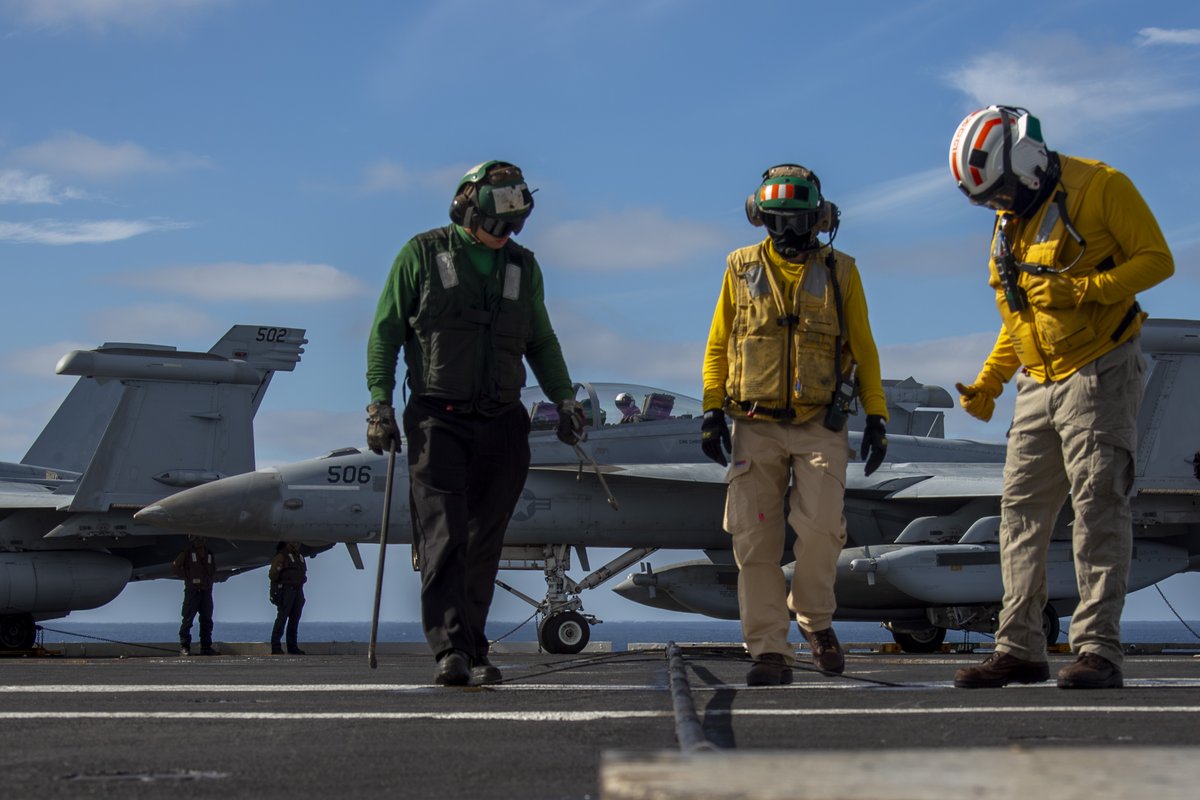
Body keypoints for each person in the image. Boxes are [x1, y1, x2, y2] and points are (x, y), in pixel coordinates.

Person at [948, 106, 1173, 690]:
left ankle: (1098, 650)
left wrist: (1084, 288)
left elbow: (1157, 260)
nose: (997, 204)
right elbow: (1019, 317)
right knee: (1019, 517)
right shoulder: (1008, 221)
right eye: (986, 199)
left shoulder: (1102, 186)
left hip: (1101, 372)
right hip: (1036, 384)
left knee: (1098, 509)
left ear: (1025, 162)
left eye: (999, 190)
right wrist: (991, 381)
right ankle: (1019, 648)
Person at [365, 160, 583, 686]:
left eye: (514, 226)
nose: (502, 236)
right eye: (496, 224)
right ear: (465, 208)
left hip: (503, 423)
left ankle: (475, 646)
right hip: (437, 420)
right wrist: (379, 405)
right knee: (444, 538)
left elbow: (541, 341)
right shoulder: (421, 253)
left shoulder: (523, 268)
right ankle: (450, 652)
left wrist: (565, 400)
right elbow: (386, 332)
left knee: (487, 540)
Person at [701, 164, 889, 686]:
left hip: (820, 424)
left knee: (823, 529)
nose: (787, 233)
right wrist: (710, 410)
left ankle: (814, 621)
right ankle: (768, 650)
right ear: (759, 217)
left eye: (799, 221)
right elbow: (720, 343)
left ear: (820, 218)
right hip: (752, 425)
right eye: (776, 220)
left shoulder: (840, 270)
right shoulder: (739, 267)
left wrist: (877, 415)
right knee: (754, 541)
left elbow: (864, 347)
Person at [171, 535, 216, 656]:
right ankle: (184, 646)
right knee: (188, 619)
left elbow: (212, 570)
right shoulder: (187, 553)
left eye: (201, 538)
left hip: (206, 591)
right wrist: (188, 578)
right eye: (196, 539)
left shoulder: (209, 553)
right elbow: (175, 566)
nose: (199, 541)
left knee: (207, 619)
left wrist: (208, 582)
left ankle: (206, 646)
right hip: (192, 591)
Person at [269, 541, 307, 655]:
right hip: (286, 590)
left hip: (297, 590)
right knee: (282, 618)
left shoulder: (298, 556)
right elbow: (273, 574)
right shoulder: (282, 556)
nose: (297, 542)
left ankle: (292, 646)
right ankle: (276, 646)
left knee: (294, 619)